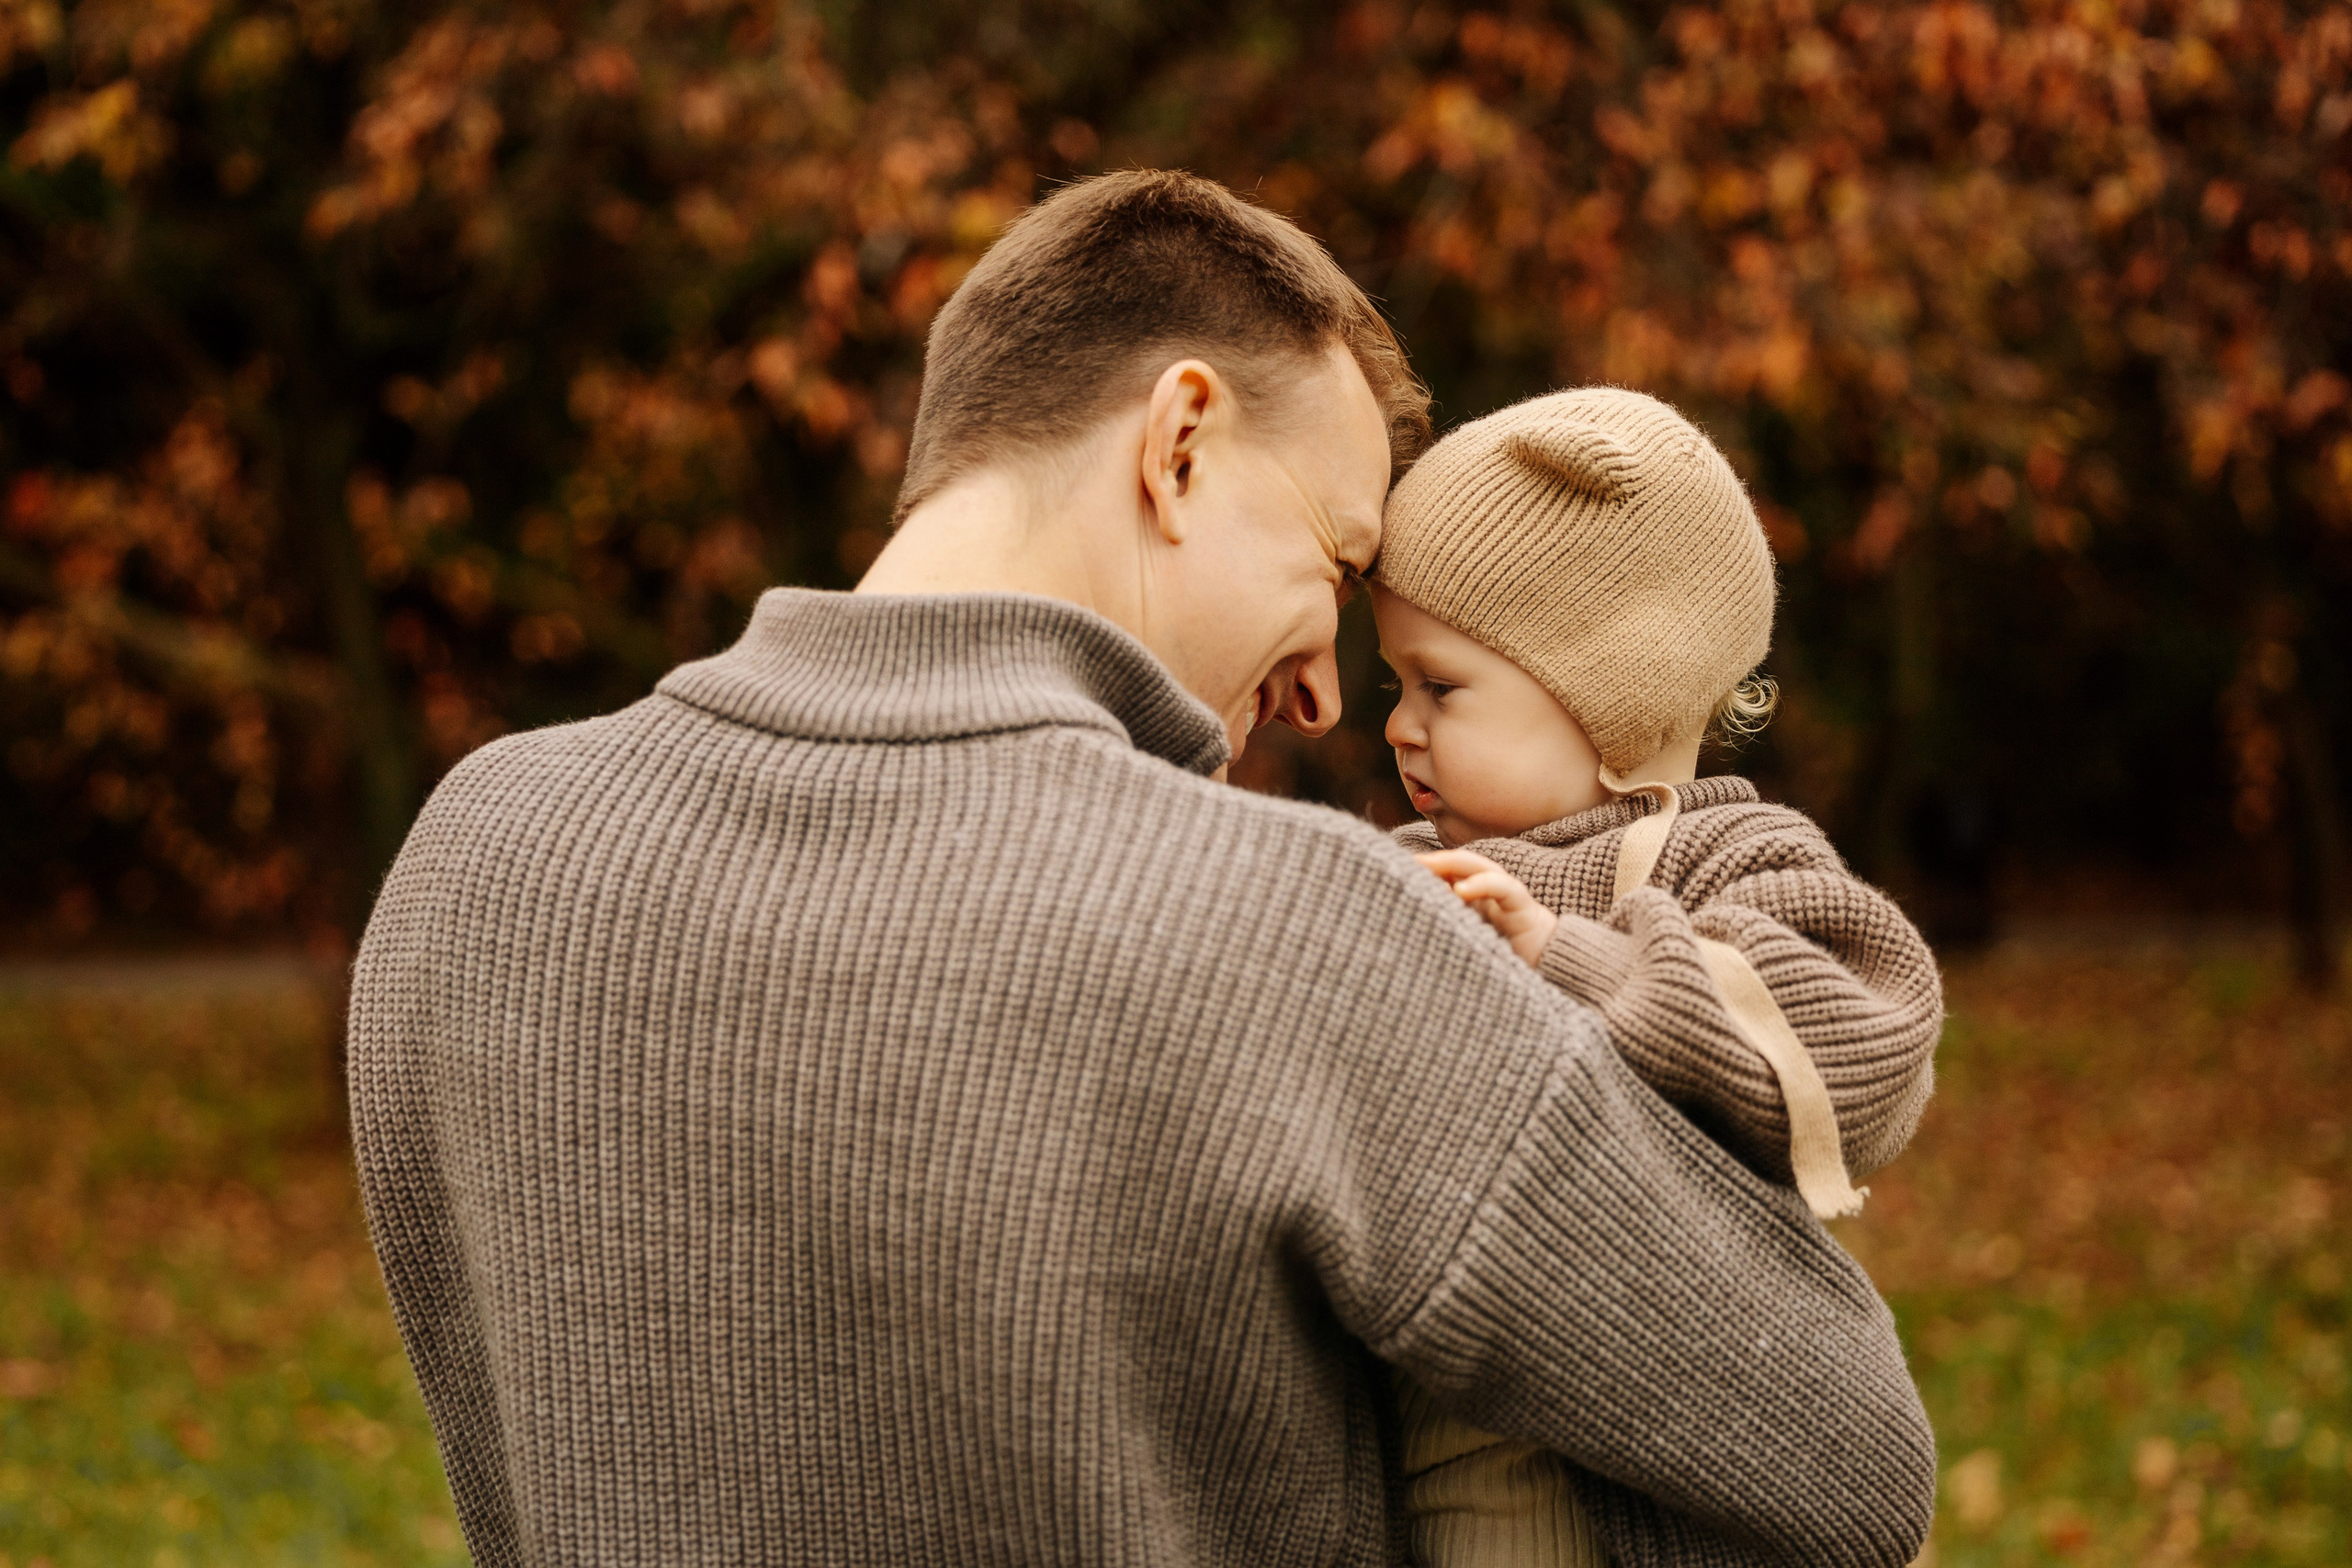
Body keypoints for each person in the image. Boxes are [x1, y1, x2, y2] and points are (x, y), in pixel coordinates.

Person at [348, 171, 1935, 1568]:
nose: (1324, 699)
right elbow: (1846, 1453)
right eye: (1336, 562)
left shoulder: (474, 863)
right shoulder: (1299, 927)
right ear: (1178, 445)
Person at [1367, 387, 1944, 1566]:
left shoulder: (1726, 857)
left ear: (1610, 690)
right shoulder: (1398, 868)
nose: (1398, 726)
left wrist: (1565, 956)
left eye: (1440, 686)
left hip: (1637, 1443)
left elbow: (1867, 1051)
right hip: (1420, 1398)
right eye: (1395, 686)